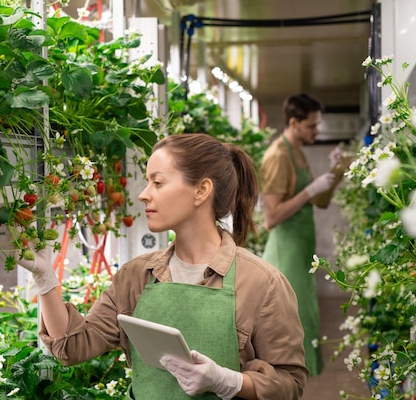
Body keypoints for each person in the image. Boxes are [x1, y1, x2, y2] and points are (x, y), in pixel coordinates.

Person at [16, 133, 308, 400]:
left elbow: (290, 385)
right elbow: (73, 347)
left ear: (201, 190)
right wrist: (45, 279)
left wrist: (226, 381)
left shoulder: (262, 283)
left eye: (158, 182)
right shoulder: (137, 276)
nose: (144, 193)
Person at [260, 93, 348, 377]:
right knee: (288, 326)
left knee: (304, 318)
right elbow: (271, 217)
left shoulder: (297, 151)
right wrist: (309, 190)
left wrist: (336, 172)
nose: (316, 131)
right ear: (294, 122)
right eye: (311, 126)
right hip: (286, 252)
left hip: (301, 251)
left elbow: (319, 202)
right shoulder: (277, 156)